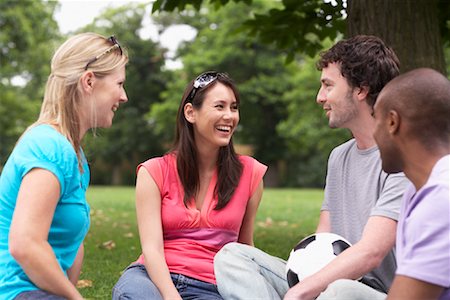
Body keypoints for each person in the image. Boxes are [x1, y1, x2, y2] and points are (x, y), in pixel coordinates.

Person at [214, 35, 409, 300]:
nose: (320, 97)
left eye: (328, 86)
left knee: (340, 291)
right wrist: (307, 283)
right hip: (331, 283)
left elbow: (371, 252)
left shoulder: (403, 157)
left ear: (361, 90)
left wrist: (300, 292)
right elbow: (323, 239)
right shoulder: (339, 157)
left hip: (382, 294)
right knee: (232, 256)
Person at [112, 71, 267, 299]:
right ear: (190, 112)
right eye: (220, 106)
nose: (230, 116)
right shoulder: (153, 172)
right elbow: (152, 249)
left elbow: (244, 247)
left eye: (234, 108)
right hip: (152, 277)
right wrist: (171, 295)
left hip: (212, 285)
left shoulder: (250, 174)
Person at [0, 32, 128, 299]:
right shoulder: (49, 146)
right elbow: (25, 244)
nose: (123, 96)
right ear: (89, 81)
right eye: (119, 84)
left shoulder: (75, 155)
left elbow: (71, 247)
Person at [373, 68, 450, 300]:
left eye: (375, 120)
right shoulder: (417, 192)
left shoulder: (441, 199)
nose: (374, 134)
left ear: (392, 122)